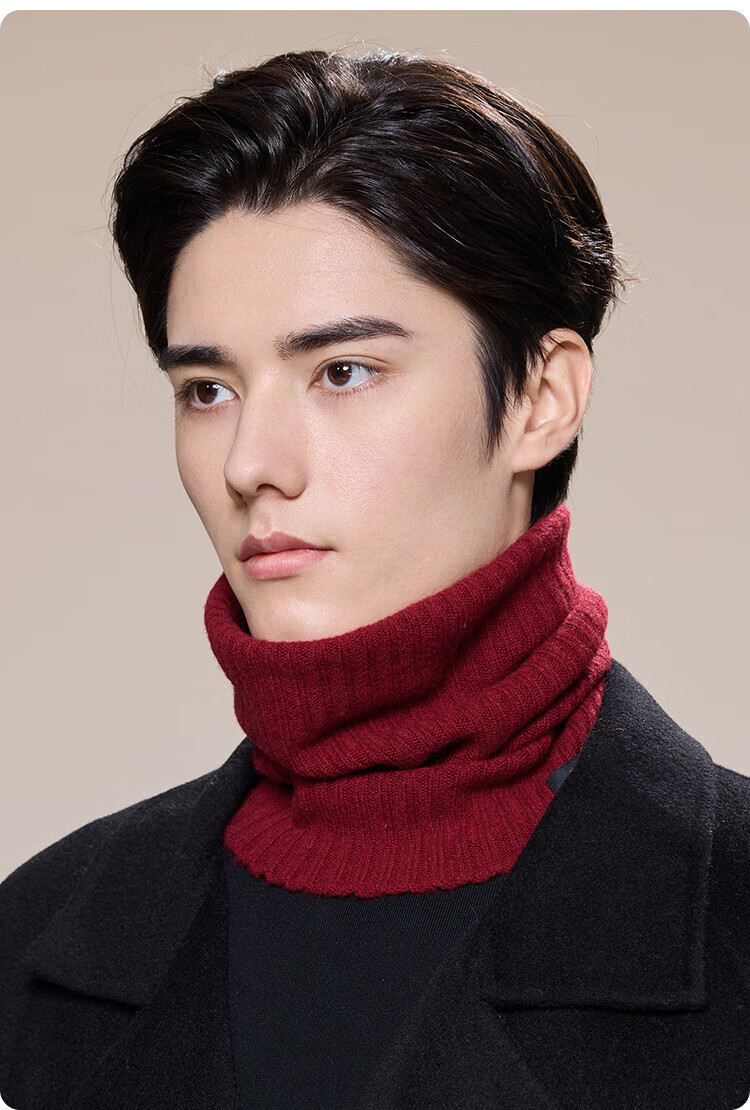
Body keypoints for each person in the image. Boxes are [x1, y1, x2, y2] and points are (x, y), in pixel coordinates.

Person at [1, 47, 748, 1110]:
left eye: (343, 372)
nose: (251, 463)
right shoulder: (37, 938)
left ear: (542, 399)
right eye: (207, 388)